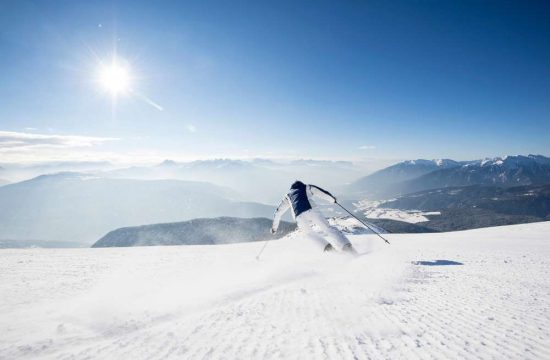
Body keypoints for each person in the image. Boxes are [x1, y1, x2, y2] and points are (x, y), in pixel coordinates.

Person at [270, 180, 358, 254]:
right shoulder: (306, 187)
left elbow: (278, 212)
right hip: (312, 210)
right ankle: (346, 247)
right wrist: (332, 200)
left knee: (309, 234)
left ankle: (328, 249)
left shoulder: (288, 196)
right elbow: (320, 192)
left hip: (299, 216)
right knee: (327, 228)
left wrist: (274, 228)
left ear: (291, 188)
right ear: (300, 184)